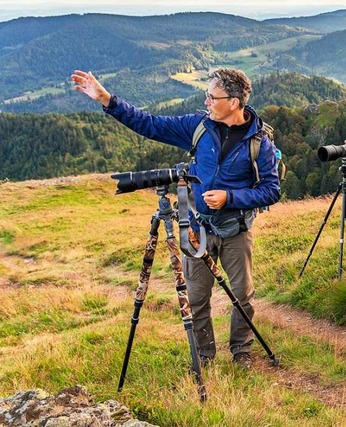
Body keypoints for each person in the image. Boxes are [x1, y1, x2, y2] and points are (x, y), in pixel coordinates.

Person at [71, 68, 281, 367]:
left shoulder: (260, 143)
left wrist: (230, 198)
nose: (206, 101)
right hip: (197, 228)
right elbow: (151, 125)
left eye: (212, 96)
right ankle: (204, 356)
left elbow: (272, 191)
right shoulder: (198, 127)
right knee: (196, 297)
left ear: (234, 102)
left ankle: (241, 352)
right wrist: (107, 99)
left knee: (242, 295)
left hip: (236, 230)